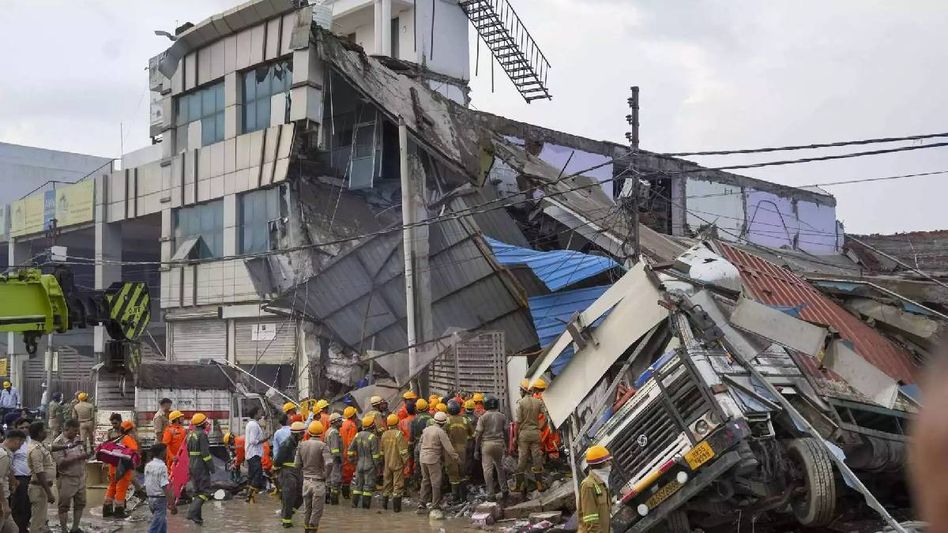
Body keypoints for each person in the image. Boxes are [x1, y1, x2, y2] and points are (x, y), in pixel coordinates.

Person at [52, 419, 89, 533]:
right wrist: (79, 457)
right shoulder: (58, 443)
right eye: (74, 431)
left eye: (77, 430)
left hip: (80, 477)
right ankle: (64, 530)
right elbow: (61, 462)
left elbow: (83, 453)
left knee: (80, 503)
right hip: (66, 478)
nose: (76, 433)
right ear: (66, 429)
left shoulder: (77, 440)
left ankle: (75, 528)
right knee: (64, 506)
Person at [417, 411, 459, 513]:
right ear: (444, 423)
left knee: (425, 480)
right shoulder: (441, 432)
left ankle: (422, 503)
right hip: (433, 459)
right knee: (436, 482)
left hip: (423, 458)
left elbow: (419, 444)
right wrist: (456, 458)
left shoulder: (426, 430)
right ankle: (435, 505)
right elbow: (448, 448)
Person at [296, 421, 333, 532]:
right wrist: (326, 475)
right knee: (317, 511)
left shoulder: (302, 445)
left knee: (307, 509)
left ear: (309, 432)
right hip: (318, 482)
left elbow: (297, 464)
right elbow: (329, 463)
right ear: (321, 432)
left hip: (306, 482)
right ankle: (313, 529)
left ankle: (306, 529)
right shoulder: (323, 446)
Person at [475, 395, 509, 502]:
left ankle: (491, 494)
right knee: (500, 467)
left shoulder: (483, 417)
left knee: (487, 470)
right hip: (499, 444)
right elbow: (506, 432)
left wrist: (476, 449)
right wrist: (507, 445)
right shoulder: (502, 416)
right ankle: (504, 490)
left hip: (487, 445)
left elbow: (479, 434)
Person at [514, 379, 545, 493]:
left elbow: (517, 422)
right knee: (537, 458)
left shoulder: (521, 403)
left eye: (520, 389)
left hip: (524, 434)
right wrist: (540, 427)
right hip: (535, 433)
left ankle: (519, 485)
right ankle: (539, 484)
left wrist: (515, 437)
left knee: (522, 458)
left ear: (523, 390)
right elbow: (546, 416)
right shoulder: (538, 402)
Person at [103, 420, 139, 519]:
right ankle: (119, 511)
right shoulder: (128, 439)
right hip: (123, 468)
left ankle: (107, 509)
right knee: (121, 489)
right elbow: (132, 451)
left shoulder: (117, 438)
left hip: (113, 467)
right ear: (130, 430)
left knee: (112, 487)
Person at [274, 421, 305, 529]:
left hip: (297, 471)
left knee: (301, 495)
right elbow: (277, 461)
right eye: (302, 433)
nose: (303, 435)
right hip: (287, 472)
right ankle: (286, 521)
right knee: (289, 496)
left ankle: (287, 514)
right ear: (297, 434)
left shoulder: (297, 443)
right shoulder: (286, 444)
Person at [27, 422, 55, 533]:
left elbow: (51, 447)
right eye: (44, 429)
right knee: (37, 522)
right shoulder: (36, 449)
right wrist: (49, 493)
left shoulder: (40, 445)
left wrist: (69, 446)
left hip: (41, 488)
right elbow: (39, 472)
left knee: (41, 520)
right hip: (39, 488)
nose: (46, 431)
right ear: (39, 433)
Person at [185, 413, 214, 525]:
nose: (207, 423)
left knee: (197, 492)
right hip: (201, 465)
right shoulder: (202, 435)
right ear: (202, 423)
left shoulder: (190, 435)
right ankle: (192, 512)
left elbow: (188, 451)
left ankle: (197, 518)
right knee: (205, 492)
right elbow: (205, 453)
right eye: (206, 422)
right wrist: (211, 467)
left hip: (192, 464)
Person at [347, 415, 380, 510]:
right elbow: (375, 455)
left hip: (359, 464)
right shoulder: (372, 437)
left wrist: (352, 460)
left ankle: (354, 505)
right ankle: (365, 508)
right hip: (369, 465)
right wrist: (377, 467)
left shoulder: (358, 435)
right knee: (368, 488)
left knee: (357, 486)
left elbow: (350, 450)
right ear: (372, 426)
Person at [444, 400, 474, 503]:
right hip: (463, 450)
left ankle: (455, 497)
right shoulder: (465, 420)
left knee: (453, 474)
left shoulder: (447, 421)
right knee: (462, 473)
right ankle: (464, 497)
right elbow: (472, 434)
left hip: (450, 450)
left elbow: (442, 435)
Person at [578, 445, 612, 533]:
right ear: (601, 463)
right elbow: (591, 520)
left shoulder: (601, 483)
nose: (610, 463)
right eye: (607, 460)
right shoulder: (588, 485)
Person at [380, 414, 408, 513]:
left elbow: (381, 451)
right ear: (397, 423)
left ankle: (384, 506)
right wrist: (406, 462)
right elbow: (403, 451)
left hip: (387, 464)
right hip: (397, 464)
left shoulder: (384, 434)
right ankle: (397, 509)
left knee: (386, 485)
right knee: (398, 485)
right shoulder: (398, 434)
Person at [0, 430, 26, 533]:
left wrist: (13, 480)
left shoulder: (6, 453)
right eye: (21, 443)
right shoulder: (3, 455)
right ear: (17, 441)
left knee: (13, 530)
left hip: (4, 497)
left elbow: (7, 471)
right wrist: (4, 504)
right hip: (1, 500)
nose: (20, 447)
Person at [144, 443, 173, 533]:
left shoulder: (148, 465)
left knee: (161, 522)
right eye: (166, 451)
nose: (167, 453)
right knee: (155, 526)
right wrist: (171, 502)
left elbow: (148, 482)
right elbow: (164, 486)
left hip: (150, 498)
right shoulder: (162, 466)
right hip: (160, 499)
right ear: (162, 453)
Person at [10, 417, 32, 532]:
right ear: (16, 428)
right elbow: (9, 462)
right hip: (19, 477)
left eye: (27, 427)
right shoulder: (14, 442)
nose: (24, 429)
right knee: (19, 505)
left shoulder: (32, 440)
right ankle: (18, 529)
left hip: (32, 478)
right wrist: (13, 480)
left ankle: (24, 527)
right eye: (21, 427)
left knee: (29, 505)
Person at [244, 406, 268, 502]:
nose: (261, 414)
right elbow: (253, 441)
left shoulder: (252, 424)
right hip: (254, 454)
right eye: (259, 412)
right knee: (257, 475)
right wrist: (265, 439)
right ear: (255, 414)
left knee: (252, 475)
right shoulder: (253, 425)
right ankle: (249, 496)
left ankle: (249, 498)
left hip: (252, 453)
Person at [323, 413, 343, 505]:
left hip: (328, 460)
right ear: (335, 422)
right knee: (335, 481)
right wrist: (338, 459)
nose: (341, 422)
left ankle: (326, 499)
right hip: (334, 460)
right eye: (340, 421)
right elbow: (335, 449)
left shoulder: (328, 431)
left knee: (329, 480)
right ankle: (334, 502)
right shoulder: (334, 432)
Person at [339, 406, 358, 500]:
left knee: (343, 473)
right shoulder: (352, 425)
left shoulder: (343, 424)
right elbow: (352, 441)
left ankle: (343, 493)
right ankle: (346, 494)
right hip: (348, 453)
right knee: (348, 474)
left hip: (342, 451)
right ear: (353, 415)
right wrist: (353, 455)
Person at [397, 400, 416, 492]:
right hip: (416, 444)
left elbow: (400, 435)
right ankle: (416, 484)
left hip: (405, 446)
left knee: (407, 465)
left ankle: (405, 488)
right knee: (416, 464)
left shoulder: (402, 422)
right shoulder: (417, 419)